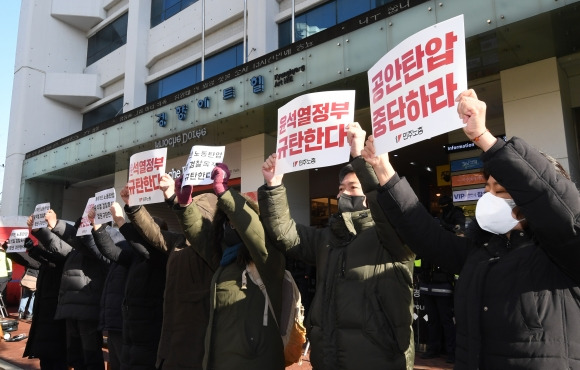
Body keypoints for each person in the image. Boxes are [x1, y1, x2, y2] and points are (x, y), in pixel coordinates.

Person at [363, 89, 580, 369]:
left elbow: (560, 206)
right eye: (486, 188)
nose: (488, 197)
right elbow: (425, 235)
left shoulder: (563, 252)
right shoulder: (480, 253)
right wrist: (383, 170)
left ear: (529, 199)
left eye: (500, 190)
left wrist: (485, 139)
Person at [259, 123, 416, 370]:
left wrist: (359, 158)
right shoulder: (328, 239)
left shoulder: (392, 238)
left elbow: (391, 209)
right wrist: (274, 186)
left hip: (379, 361)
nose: (343, 194)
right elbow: (285, 233)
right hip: (328, 359)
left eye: (353, 187)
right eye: (341, 189)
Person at [169, 164, 286, 369]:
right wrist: (185, 205)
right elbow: (201, 236)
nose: (228, 227)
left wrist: (225, 192)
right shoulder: (224, 261)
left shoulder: (267, 260)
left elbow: (254, 232)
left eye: (233, 223)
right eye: (224, 223)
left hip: (254, 362)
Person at [120, 181, 218, 370]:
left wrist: (174, 198)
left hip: (197, 334)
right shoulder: (179, 242)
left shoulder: (214, 248)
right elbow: (154, 233)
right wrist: (133, 206)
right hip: (172, 329)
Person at [91, 201, 168, 370]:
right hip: (130, 324)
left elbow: (148, 250)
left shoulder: (161, 255)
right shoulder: (135, 256)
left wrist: (120, 220)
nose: (141, 236)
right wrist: (99, 228)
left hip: (150, 328)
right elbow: (112, 252)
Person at [32, 209, 110, 370]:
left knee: (90, 356)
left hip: (87, 310)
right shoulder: (74, 251)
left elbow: (69, 244)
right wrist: (40, 232)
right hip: (70, 309)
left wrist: (55, 226)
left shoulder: (98, 248)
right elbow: (59, 246)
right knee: (75, 356)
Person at [6, 236, 68, 369]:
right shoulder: (45, 263)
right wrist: (11, 249)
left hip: (54, 316)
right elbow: (31, 262)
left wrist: (32, 247)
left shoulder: (60, 259)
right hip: (43, 316)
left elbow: (40, 261)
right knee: (46, 357)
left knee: (55, 358)